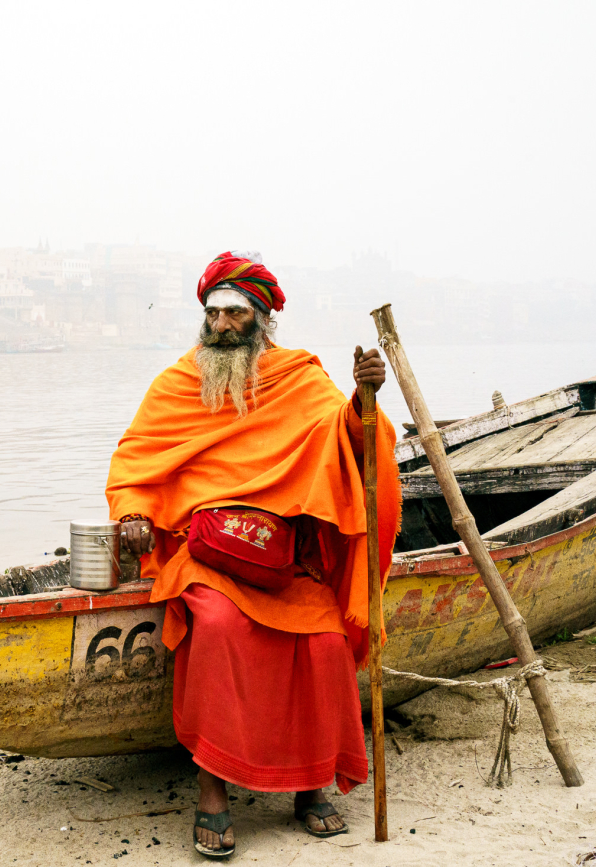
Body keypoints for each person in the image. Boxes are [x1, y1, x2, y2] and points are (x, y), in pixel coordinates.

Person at [105, 251, 400, 859]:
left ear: (262, 319)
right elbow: (136, 458)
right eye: (213, 314)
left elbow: (346, 440)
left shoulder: (299, 378)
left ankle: (311, 786)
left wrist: (363, 402)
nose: (220, 325)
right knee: (214, 626)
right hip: (207, 553)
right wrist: (133, 514)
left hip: (281, 558)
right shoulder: (177, 383)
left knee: (324, 639)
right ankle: (212, 790)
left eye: (235, 314)